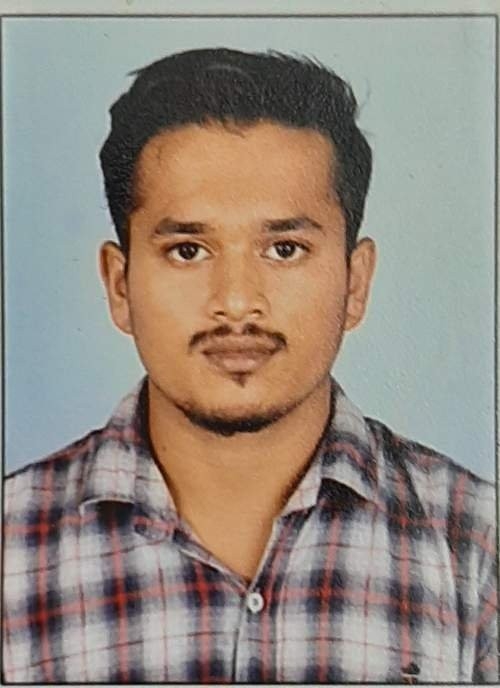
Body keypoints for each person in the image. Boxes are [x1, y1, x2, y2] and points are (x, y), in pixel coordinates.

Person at [3, 48, 497, 684]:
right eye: (188, 250)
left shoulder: (476, 546)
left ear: (355, 282)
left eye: (285, 249)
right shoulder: (12, 547)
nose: (236, 302)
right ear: (119, 285)